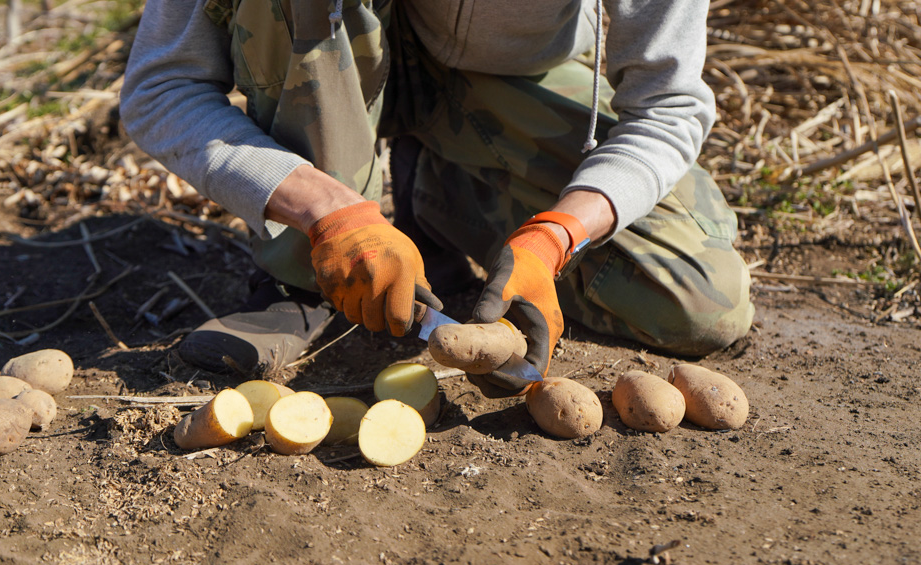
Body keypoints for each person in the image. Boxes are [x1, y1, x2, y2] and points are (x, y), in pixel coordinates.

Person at [120, 0, 754, 397]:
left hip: (505, 85)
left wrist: (559, 233)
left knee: (699, 302)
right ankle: (307, 275)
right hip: (328, 71)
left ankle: (443, 190)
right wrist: (320, 208)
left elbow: (668, 105)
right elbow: (160, 89)